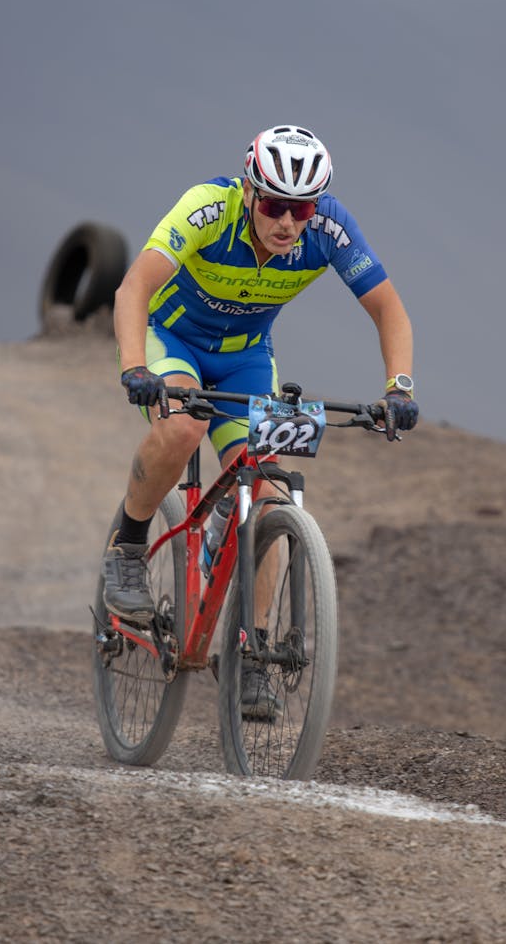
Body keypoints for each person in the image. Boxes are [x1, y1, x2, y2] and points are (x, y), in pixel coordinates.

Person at [103, 124, 418, 632]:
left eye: (304, 208)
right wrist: (135, 367)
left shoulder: (330, 229)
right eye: (274, 205)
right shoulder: (208, 208)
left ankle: (255, 649)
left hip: (246, 356)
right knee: (184, 426)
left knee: (267, 495)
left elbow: (389, 309)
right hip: (171, 339)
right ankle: (129, 549)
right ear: (248, 190)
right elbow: (134, 288)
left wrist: (399, 387)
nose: (289, 222)